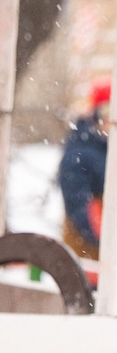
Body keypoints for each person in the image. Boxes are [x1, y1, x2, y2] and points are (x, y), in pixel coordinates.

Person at [58, 77, 109, 260]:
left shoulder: (106, 149)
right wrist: (104, 240)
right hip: (88, 251)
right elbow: (79, 206)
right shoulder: (80, 153)